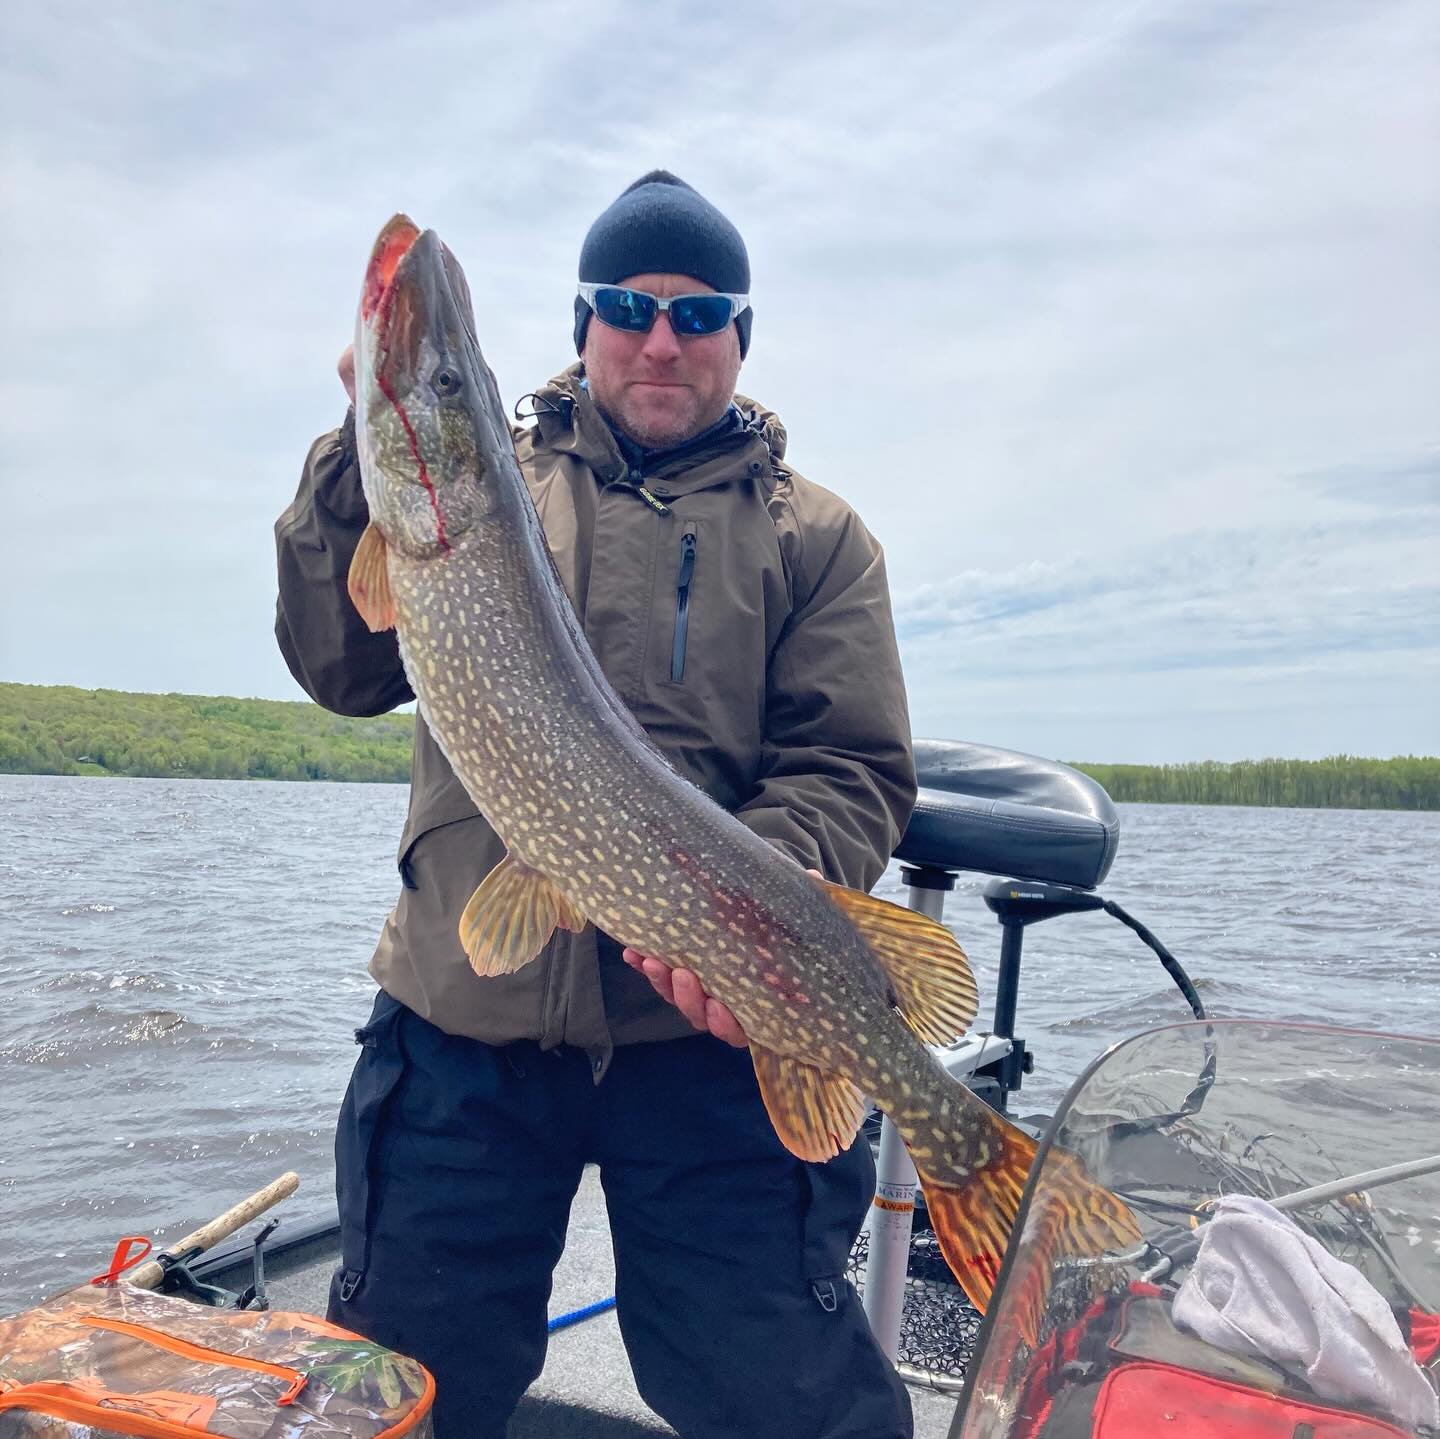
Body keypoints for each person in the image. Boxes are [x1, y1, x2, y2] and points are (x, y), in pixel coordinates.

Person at [274, 170, 917, 1438]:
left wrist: (746, 918)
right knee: (406, 1383)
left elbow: (850, 767)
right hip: (467, 1023)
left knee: (773, 1391)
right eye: (627, 304)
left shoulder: (817, 537)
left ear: (741, 334)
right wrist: (357, 461)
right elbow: (340, 668)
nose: (661, 336)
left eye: (699, 310)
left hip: (710, 1047)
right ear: (584, 326)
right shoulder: (477, 493)